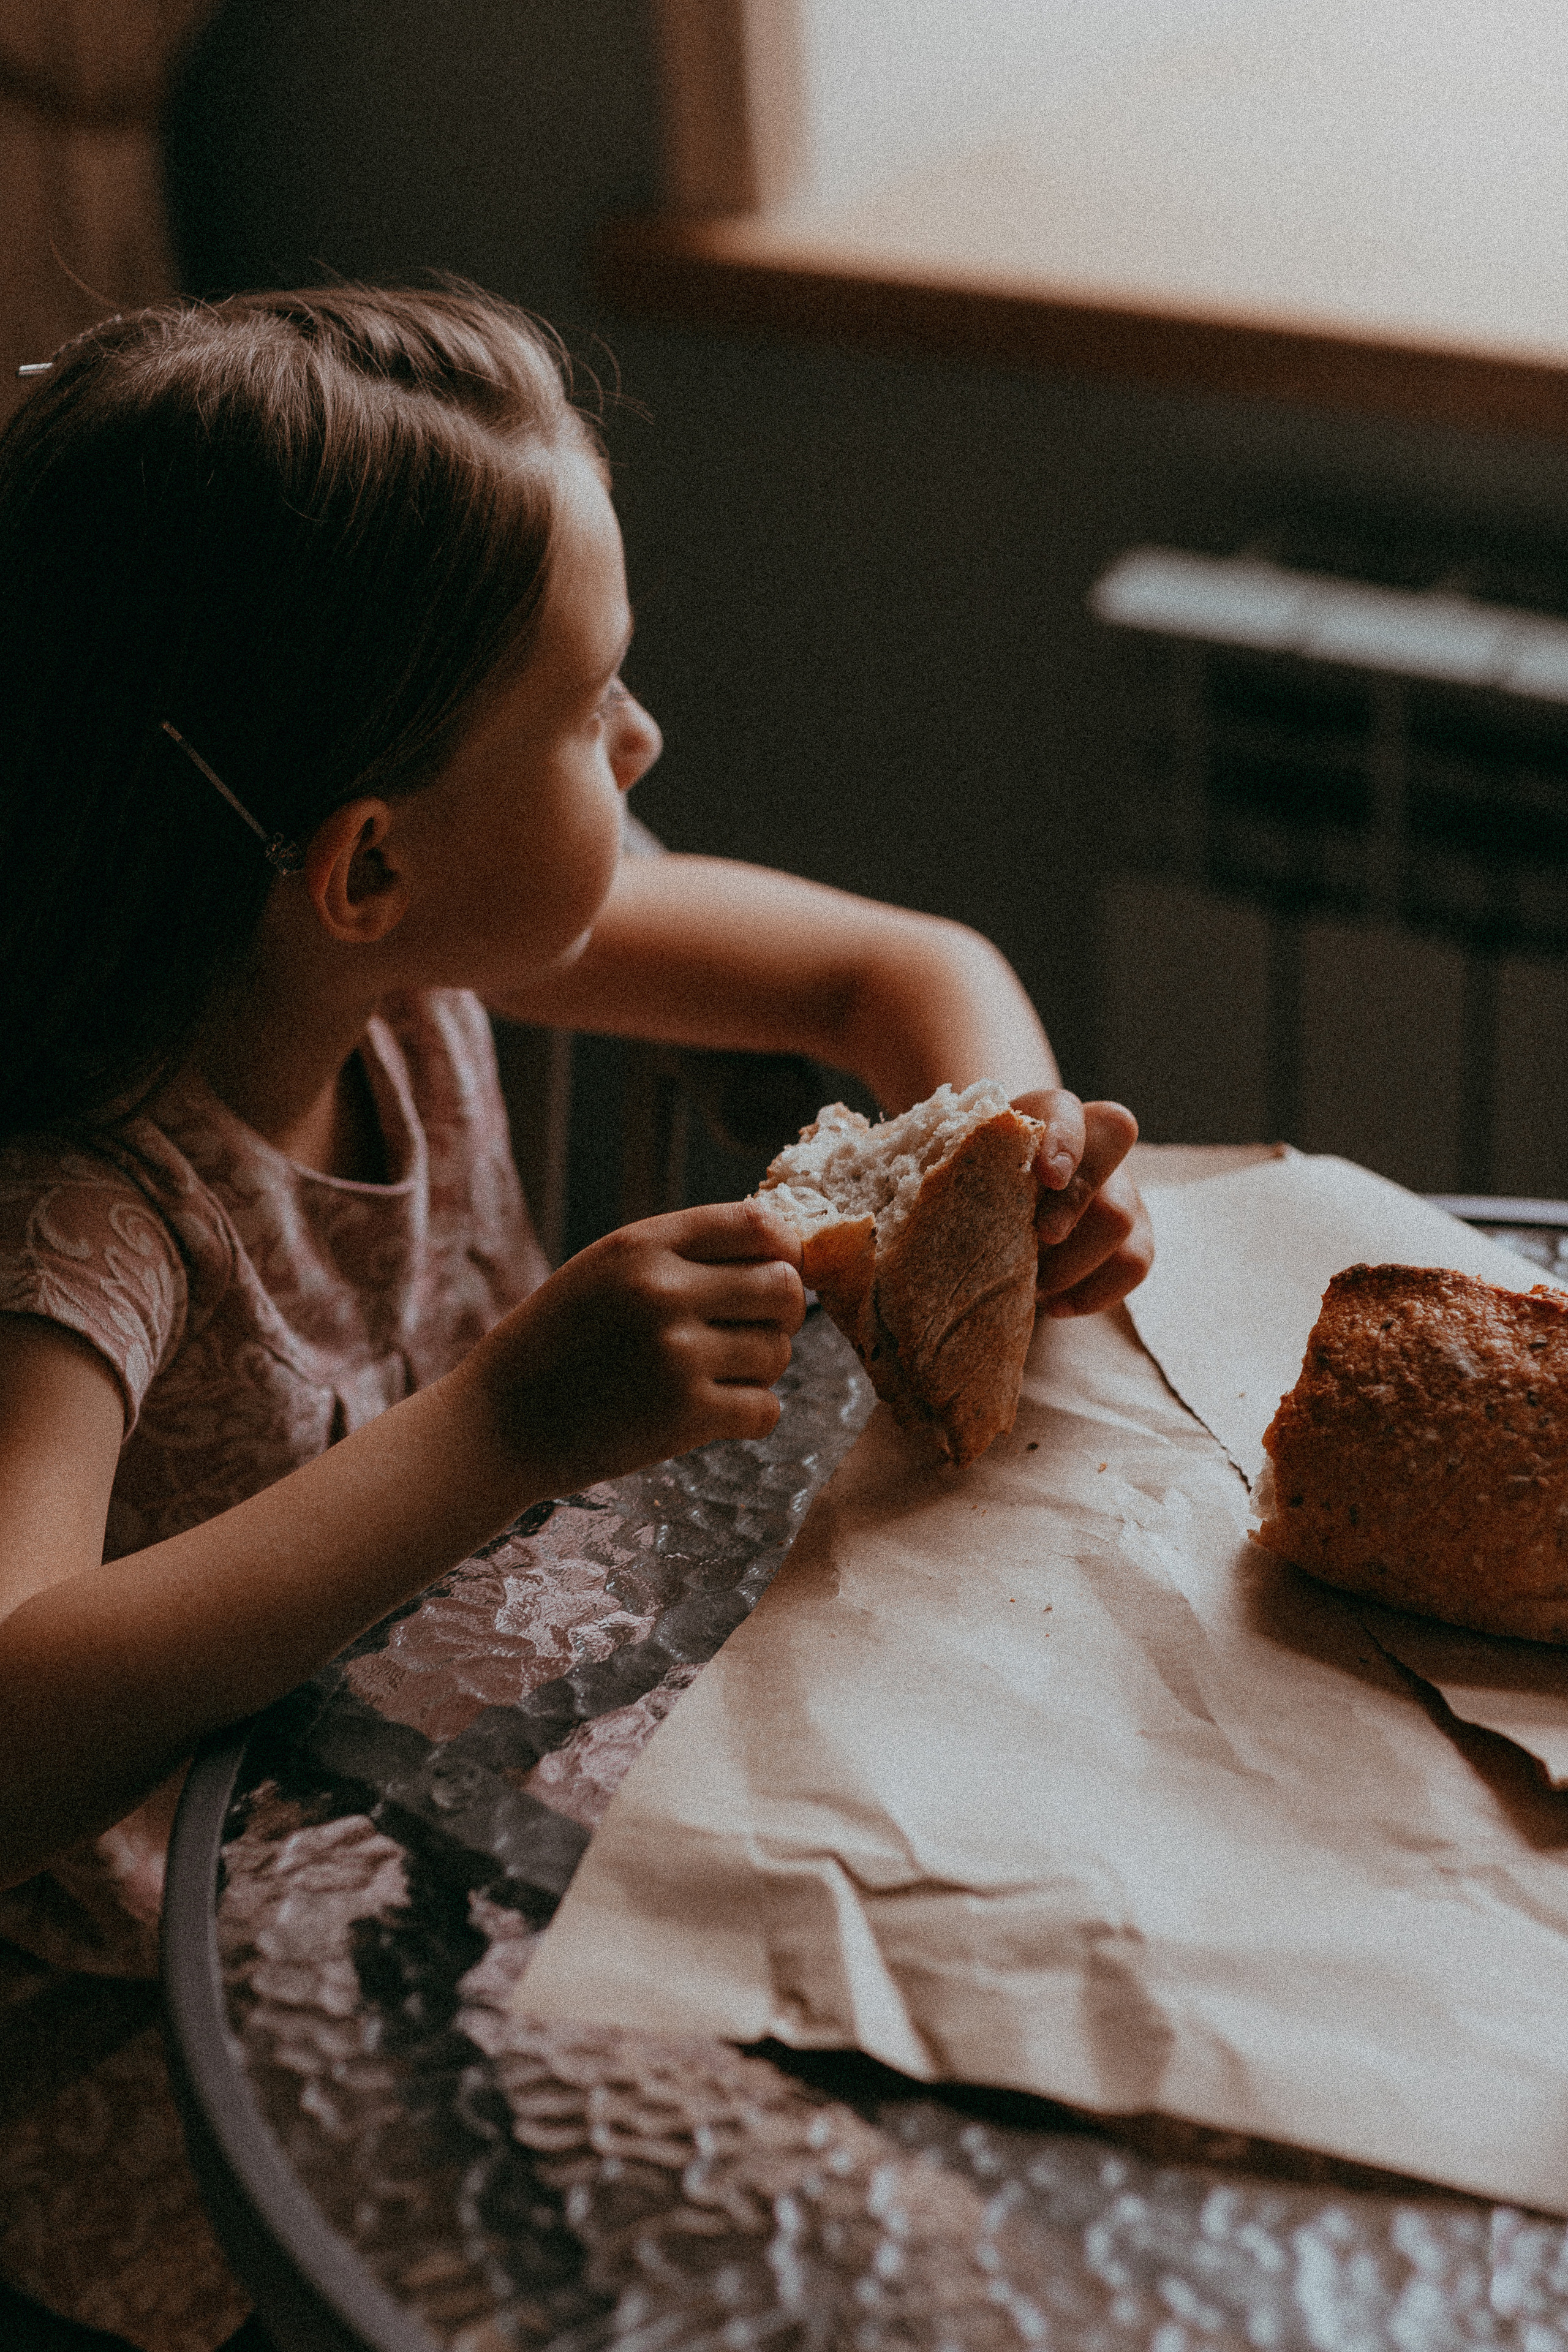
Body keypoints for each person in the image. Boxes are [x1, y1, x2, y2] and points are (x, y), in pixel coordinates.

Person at [0, 286, 1150, 2350]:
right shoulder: (92, 1219)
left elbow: (896, 966)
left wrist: (1008, 1166)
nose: (643, 747)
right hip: (149, 2056)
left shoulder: (394, 957)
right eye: (592, 703)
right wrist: (506, 1428)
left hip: (432, 1813)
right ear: (366, 868)